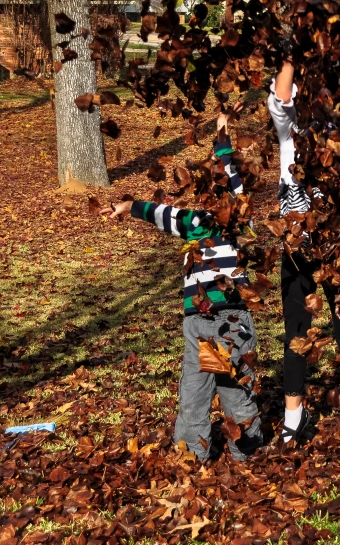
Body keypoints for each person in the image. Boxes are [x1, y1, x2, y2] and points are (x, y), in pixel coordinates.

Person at [100, 105, 262, 462]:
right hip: (198, 323)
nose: (214, 199)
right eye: (207, 194)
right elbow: (163, 213)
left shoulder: (238, 219)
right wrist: (128, 207)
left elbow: (231, 177)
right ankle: (191, 454)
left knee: (235, 390)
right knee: (193, 393)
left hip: (231, 319)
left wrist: (222, 137)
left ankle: (246, 451)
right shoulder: (193, 222)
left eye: (219, 194)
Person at [268, 0, 340, 450]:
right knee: (296, 330)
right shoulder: (292, 129)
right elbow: (281, 101)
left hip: (337, 246)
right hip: (297, 243)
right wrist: (293, 53)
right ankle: (293, 416)